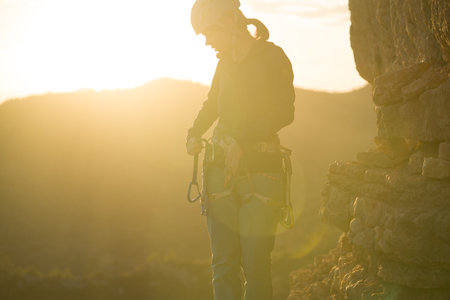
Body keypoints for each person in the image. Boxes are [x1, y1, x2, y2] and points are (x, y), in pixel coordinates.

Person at [186, 0, 295, 299]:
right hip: (221, 169)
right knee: (223, 263)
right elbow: (212, 104)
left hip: (261, 170)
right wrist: (194, 132)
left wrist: (242, 141)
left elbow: (285, 111)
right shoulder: (225, 64)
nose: (206, 42)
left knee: (256, 264)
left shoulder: (273, 57)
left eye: (209, 33)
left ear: (228, 23)